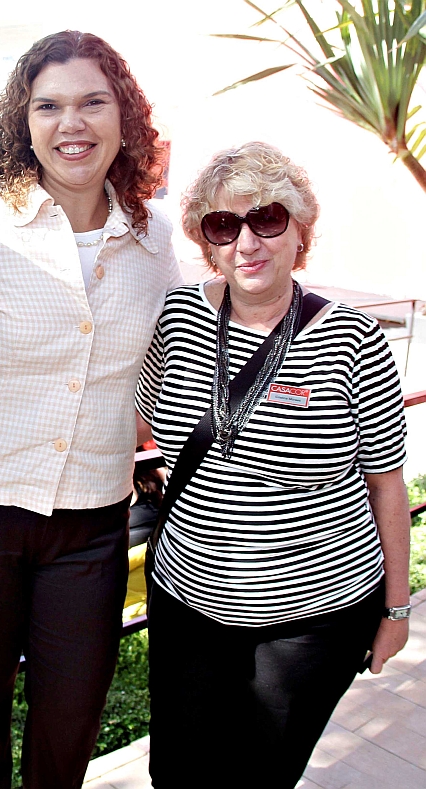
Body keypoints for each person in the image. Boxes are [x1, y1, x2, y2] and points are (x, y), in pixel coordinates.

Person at [0, 30, 183, 789]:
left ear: (124, 114)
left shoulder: (157, 241)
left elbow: (169, 375)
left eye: (94, 101)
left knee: (71, 723)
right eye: (49, 105)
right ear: (22, 123)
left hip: (90, 518)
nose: (73, 123)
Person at [135, 141, 410, 789]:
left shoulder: (353, 338)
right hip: (188, 600)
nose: (247, 242)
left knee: (261, 775)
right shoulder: (179, 316)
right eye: (224, 226)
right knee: (177, 770)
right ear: (208, 241)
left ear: (299, 231)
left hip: (313, 616)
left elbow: (387, 485)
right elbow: (146, 418)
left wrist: (396, 612)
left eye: (268, 219)